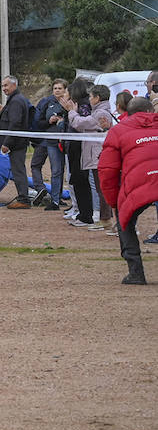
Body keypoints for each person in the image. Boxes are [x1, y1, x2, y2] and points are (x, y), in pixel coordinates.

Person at [98, 95, 157, 285]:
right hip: (144, 181)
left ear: (128, 113)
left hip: (138, 183)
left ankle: (136, 272)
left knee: (125, 220)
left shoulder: (118, 131)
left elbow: (107, 170)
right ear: (150, 111)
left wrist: (115, 203)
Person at [63, 82, 114, 233]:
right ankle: (104, 219)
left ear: (97, 98)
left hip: (98, 155)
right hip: (95, 155)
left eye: (91, 96)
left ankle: (106, 219)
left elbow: (80, 123)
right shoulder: (98, 111)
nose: (89, 99)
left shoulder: (100, 113)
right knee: (100, 188)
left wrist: (72, 112)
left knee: (102, 189)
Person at [30, 80, 69, 210]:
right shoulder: (47, 102)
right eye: (55, 88)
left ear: (65, 90)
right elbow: (39, 122)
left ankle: (61, 197)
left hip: (67, 141)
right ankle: (55, 200)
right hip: (51, 141)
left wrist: (64, 119)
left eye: (60, 88)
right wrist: (49, 121)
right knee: (55, 170)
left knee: (65, 171)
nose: (57, 90)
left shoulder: (70, 103)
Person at [0, 75, 32, 208]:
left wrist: (7, 143)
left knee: (18, 171)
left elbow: (15, 123)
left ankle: (23, 199)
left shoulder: (16, 101)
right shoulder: (16, 99)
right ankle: (23, 197)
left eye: (6, 85)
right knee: (18, 170)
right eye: (2, 86)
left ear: (14, 85)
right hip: (18, 142)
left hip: (16, 143)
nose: (4, 88)